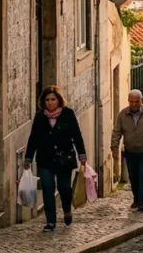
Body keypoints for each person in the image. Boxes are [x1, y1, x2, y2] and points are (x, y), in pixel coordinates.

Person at [23, 86, 87, 232]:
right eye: (47, 100)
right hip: (45, 159)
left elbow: (77, 136)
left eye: (53, 99)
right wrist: (28, 158)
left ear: (59, 100)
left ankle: (66, 210)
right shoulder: (40, 117)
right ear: (43, 102)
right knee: (47, 189)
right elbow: (33, 138)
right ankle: (50, 221)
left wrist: (82, 156)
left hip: (64, 159)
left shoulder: (68, 114)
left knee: (64, 188)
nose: (50, 103)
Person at [111, 90, 143, 213]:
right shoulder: (122, 115)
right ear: (129, 101)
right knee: (133, 177)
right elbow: (116, 132)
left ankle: (141, 203)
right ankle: (136, 199)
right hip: (130, 151)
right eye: (132, 102)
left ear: (141, 100)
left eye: (137, 101)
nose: (134, 104)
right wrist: (114, 147)